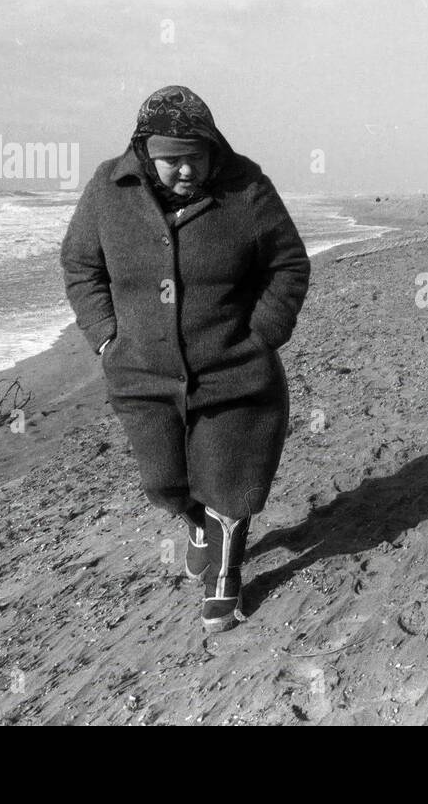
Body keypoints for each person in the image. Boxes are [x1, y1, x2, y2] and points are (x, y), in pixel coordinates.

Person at [60, 85, 310, 632]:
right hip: (141, 375)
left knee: (229, 478)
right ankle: (194, 521)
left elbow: (288, 264)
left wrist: (263, 333)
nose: (187, 171)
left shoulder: (247, 187)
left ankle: (225, 578)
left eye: (197, 156)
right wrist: (105, 335)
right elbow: (81, 266)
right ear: (145, 152)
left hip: (233, 372)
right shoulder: (108, 188)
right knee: (165, 482)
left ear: (214, 148)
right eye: (173, 160)